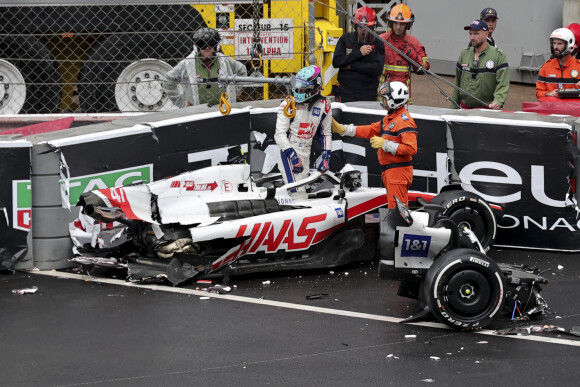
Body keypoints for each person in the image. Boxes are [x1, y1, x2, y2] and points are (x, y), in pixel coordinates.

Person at [331, 81, 417, 209]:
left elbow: (411, 149)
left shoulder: (404, 121)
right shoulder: (390, 118)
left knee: (397, 210)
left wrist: (385, 144)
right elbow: (370, 130)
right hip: (391, 171)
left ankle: (399, 229)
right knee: (395, 208)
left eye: (385, 98)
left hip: (398, 172)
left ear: (394, 100)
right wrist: (343, 130)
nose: (382, 101)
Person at [275, 65, 332, 200]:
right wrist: (293, 156)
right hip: (289, 151)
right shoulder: (288, 104)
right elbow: (279, 134)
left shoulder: (325, 105)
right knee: (297, 194)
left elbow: (326, 134)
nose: (299, 89)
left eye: (303, 87)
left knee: (301, 192)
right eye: (298, 85)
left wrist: (326, 156)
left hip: (307, 151)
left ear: (314, 88)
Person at [163, 27, 247, 108]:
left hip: (222, 110)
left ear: (216, 46)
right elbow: (168, 80)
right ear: (196, 47)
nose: (207, 48)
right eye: (202, 44)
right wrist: (182, 103)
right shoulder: (187, 64)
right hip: (197, 113)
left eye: (211, 44)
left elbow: (242, 70)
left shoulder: (225, 61)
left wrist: (233, 91)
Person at [451, 20, 509, 110]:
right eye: (470, 34)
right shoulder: (464, 54)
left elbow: (503, 84)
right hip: (464, 110)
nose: (472, 37)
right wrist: (453, 108)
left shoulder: (498, 55)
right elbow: (457, 84)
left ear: (486, 34)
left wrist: (498, 101)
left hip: (487, 111)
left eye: (476, 34)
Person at [378, 3, 429, 103]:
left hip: (403, 95)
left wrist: (413, 56)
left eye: (401, 24)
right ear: (390, 23)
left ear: (408, 25)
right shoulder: (382, 40)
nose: (398, 27)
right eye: (395, 23)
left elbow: (425, 68)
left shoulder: (413, 42)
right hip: (383, 94)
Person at [332, 6, 385, 102]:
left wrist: (351, 66)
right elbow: (336, 62)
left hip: (367, 92)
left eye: (367, 27)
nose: (363, 30)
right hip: (346, 91)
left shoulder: (378, 43)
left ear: (373, 27)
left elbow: (376, 69)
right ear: (356, 26)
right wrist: (358, 53)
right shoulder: (345, 39)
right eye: (361, 26)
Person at [536, 28, 580, 100]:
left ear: (569, 45)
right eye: (554, 43)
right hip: (551, 108)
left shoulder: (578, 66)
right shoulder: (546, 67)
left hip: (574, 109)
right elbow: (539, 93)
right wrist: (548, 94)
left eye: (559, 44)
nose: (555, 47)